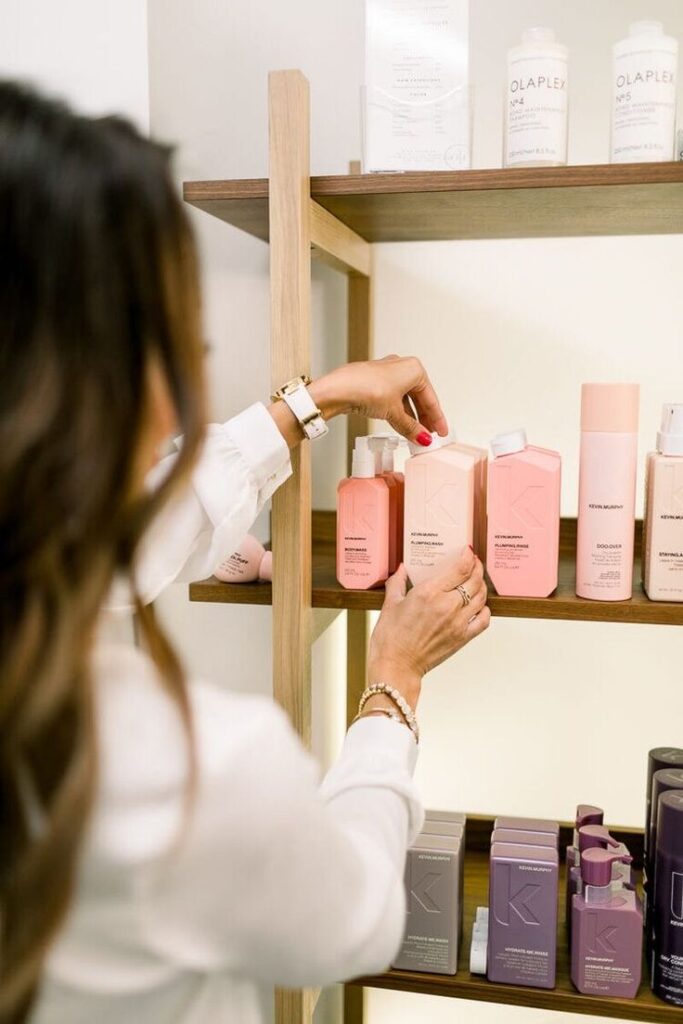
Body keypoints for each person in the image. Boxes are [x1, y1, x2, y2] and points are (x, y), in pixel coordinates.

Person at [0, 82, 490, 1024]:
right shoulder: (182, 775)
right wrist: (391, 683)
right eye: (180, 341)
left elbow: (137, 537)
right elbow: (358, 918)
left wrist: (327, 395)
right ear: (132, 385)